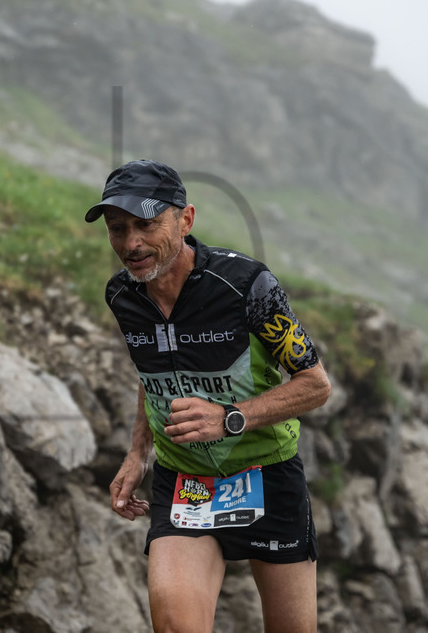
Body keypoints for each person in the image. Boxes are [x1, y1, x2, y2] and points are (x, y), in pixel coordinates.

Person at [85, 159, 331, 632]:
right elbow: (151, 372)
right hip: (185, 482)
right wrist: (137, 453)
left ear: (186, 219)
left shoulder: (247, 286)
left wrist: (229, 418)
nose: (131, 243)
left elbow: (315, 385)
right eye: (118, 229)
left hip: (267, 473)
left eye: (146, 224)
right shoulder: (122, 295)